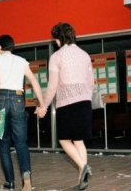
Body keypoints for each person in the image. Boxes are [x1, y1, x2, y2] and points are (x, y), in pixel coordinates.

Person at [36, 22, 94, 190]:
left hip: (67, 104)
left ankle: (83, 167)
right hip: (85, 102)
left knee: (64, 139)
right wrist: (85, 97)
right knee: (79, 140)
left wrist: (44, 105)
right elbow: (91, 82)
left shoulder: (57, 57)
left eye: (55, 39)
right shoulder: (84, 55)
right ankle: (82, 181)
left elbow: (53, 86)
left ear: (59, 39)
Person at [0, 35, 45, 191]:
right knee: (21, 142)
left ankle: (10, 182)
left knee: (4, 144)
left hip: (1, 99)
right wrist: (42, 104)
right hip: (18, 98)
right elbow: (34, 81)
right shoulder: (21, 61)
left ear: (0, 47)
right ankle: (26, 175)